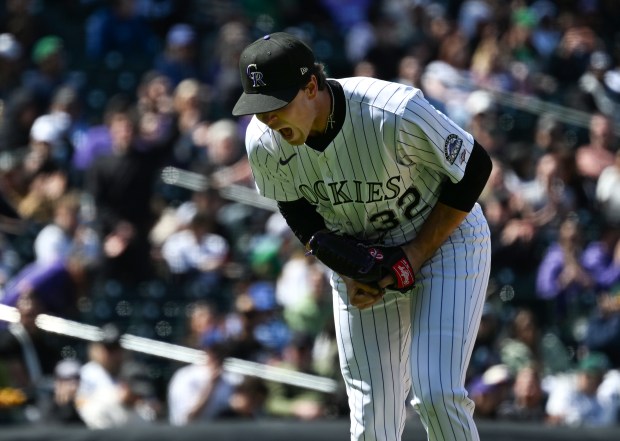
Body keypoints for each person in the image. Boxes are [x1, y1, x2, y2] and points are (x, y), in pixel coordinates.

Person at [232, 32, 493, 441]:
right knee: (372, 419)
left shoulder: (390, 109)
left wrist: (416, 252)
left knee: (437, 393)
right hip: (362, 254)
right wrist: (349, 267)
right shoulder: (263, 141)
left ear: (311, 86)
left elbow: (475, 166)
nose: (268, 119)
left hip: (444, 238)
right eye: (258, 108)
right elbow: (296, 209)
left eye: (276, 105)